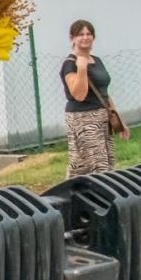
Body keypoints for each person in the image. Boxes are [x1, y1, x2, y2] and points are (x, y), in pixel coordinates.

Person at [60, 19, 127, 177]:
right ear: (72, 38)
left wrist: (119, 121)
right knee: (94, 165)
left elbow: (104, 92)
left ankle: (81, 190)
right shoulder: (70, 64)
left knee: (105, 163)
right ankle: (88, 190)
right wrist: (82, 69)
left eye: (88, 33)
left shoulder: (97, 60)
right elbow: (79, 95)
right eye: (80, 34)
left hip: (102, 118)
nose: (85, 37)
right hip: (83, 118)